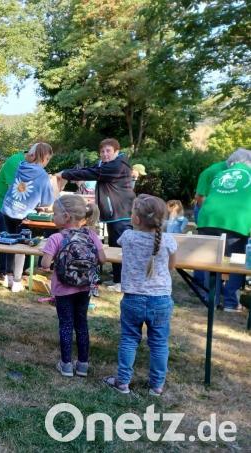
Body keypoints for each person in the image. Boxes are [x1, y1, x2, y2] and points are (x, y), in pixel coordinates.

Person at [104, 195, 177, 396]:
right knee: (159, 343)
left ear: (136, 219)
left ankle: (123, 382)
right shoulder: (169, 240)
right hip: (161, 299)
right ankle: (157, 386)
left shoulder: (128, 237)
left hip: (133, 298)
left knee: (129, 340)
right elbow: (171, 266)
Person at [40, 195, 105, 377]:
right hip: (85, 288)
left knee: (66, 325)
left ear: (66, 216)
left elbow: (45, 264)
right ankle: (83, 365)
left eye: (55, 214)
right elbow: (103, 259)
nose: (53, 217)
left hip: (63, 289)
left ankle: (66, 365)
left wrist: (47, 258)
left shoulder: (56, 238)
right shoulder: (91, 234)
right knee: (82, 324)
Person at [59, 138, 135, 292]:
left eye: (108, 151)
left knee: (122, 248)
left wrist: (64, 174)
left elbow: (91, 173)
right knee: (115, 246)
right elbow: (89, 168)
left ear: (116, 152)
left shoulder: (117, 165)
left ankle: (124, 282)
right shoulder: (106, 164)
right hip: (114, 214)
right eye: (102, 151)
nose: (105, 154)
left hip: (121, 213)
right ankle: (118, 281)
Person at [194, 148, 251, 312]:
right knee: (236, 261)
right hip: (236, 221)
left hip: (208, 219)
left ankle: (210, 298)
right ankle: (231, 303)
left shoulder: (221, 174)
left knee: (211, 260)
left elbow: (206, 197)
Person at [1, 142, 56, 293]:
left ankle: (8, 276)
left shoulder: (21, 166)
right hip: (23, 215)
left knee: (9, 242)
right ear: (45, 158)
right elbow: (47, 201)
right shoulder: (43, 176)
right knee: (22, 247)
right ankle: (17, 281)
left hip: (8, 208)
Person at [0, 147, 36, 285]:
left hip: (18, 207)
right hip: (3, 204)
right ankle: (4, 272)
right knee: (7, 238)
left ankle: (21, 272)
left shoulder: (32, 164)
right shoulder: (15, 162)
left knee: (23, 237)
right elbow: (14, 188)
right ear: (33, 154)